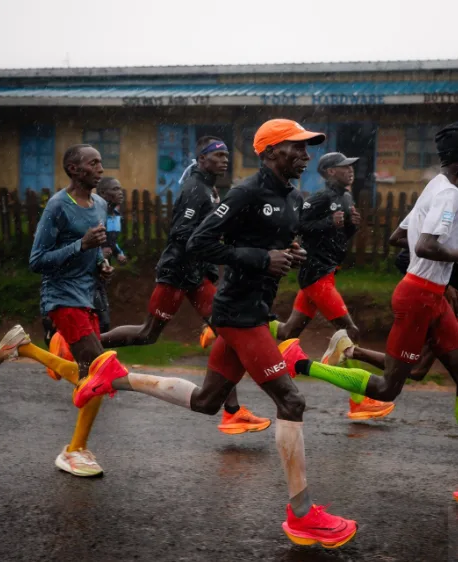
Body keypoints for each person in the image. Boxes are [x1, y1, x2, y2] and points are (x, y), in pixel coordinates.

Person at [70, 119, 358, 549]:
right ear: (268, 152)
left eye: (307, 148)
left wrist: (290, 253)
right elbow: (197, 244)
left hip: (253, 308)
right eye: (294, 148)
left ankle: (116, 377)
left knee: (207, 402)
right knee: (292, 400)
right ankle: (302, 515)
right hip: (238, 314)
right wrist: (261, 258)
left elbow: (277, 244)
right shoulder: (244, 192)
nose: (304, 155)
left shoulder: (293, 198)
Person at [279, 122, 458, 502]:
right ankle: (303, 364)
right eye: (343, 167)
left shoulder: (437, 188)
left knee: (422, 373)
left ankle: (336, 353)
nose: (350, 171)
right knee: (387, 387)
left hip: (430, 295)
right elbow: (424, 245)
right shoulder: (448, 197)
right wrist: (434, 272)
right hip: (414, 296)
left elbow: (399, 238)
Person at [95, 136, 270, 435]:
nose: (224, 159)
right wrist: (211, 250)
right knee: (147, 334)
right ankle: (83, 347)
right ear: (202, 160)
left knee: (225, 329)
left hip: (197, 273)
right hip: (178, 271)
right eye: (217, 155)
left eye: (227, 154)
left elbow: (206, 232)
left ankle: (232, 412)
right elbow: (182, 233)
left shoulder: (210, 189)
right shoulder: (195, 189)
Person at [0, 144, 112, 477]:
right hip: (60, 298)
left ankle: (25, 347)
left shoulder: (100, 203)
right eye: (94, 163)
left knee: (95, 375)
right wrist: (81, 245)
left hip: (86, 296)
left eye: (101, 162)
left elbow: (93, 253)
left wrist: (101, 263)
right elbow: (37, 261)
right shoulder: (59, 206)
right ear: (75, 169)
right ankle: (75, 451)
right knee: (98, 374)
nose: (100, 168)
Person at [273, 152, 393, 420]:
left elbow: (339, 235)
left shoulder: (347, 197)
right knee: (349, 330)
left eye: (351, 166)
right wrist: (329, 222)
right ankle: (358, 400)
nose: (350, 170)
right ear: (329, 172)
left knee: (289, 330)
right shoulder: (320, 197)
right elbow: (300, 225)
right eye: (343, 167)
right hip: (316, 273)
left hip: (325, 272)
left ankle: (239, 326)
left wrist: (351, 227)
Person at [94, 177, 127, 333]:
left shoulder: (116, 215)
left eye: (120, 189)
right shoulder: (93, 214)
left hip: (103, 270)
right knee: (99, 316)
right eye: (115, 189)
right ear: (102, 193)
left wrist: (118, 253)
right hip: (88, 271)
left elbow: (111, 241)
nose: (120, 193)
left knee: (103, 320)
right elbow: (83, 241)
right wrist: (99, 253)